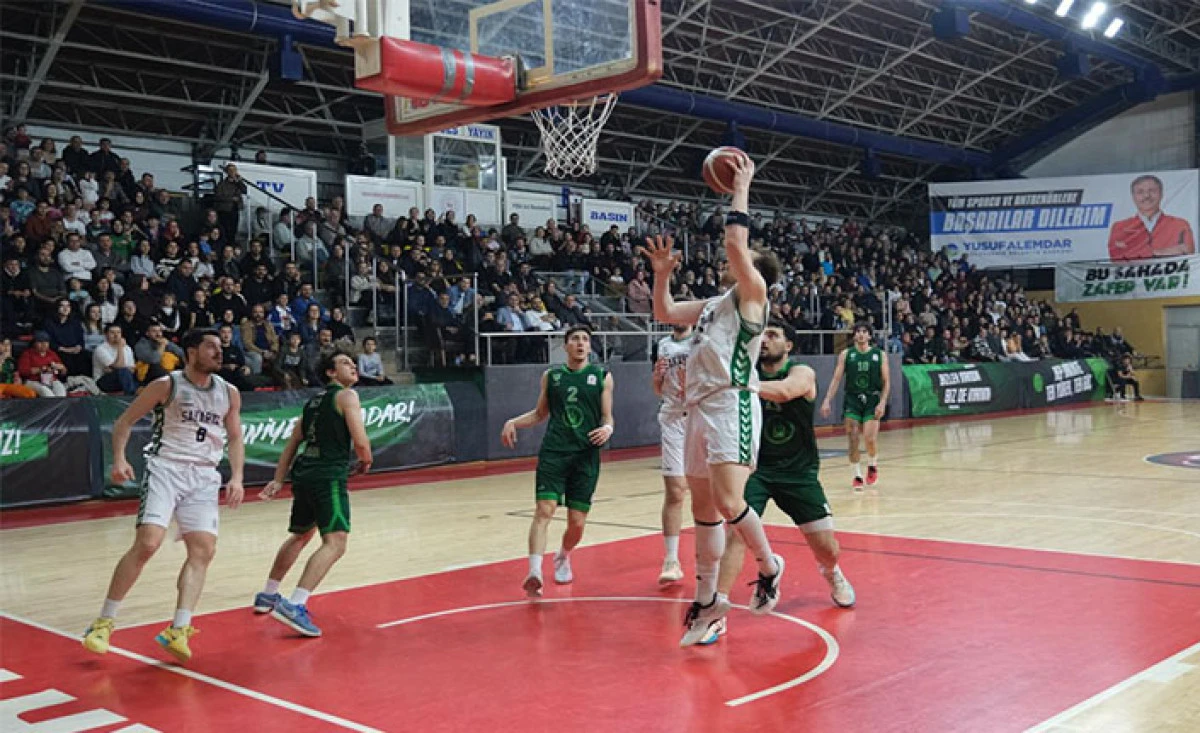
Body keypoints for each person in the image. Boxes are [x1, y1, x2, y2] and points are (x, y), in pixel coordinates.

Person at [641, 155, 786, 647]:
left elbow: (733, 242)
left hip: (732, 404)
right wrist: (662, 273)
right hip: (697, 409)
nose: (730, 260)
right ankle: (707, 604)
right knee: (703, 513)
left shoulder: (754, 294)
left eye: (741, 258)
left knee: (728, 502)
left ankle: (769, 564)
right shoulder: (712, 306)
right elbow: (664, 311)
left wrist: (740, 186)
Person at [82, 329, 245, 664]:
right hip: (166, 468)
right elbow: (124, 421)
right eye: (211, 347)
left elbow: (235, 437)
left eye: (220, 346)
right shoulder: (167, 384)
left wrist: (238, 477)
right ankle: (103, 622)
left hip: (204, 476)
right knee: (148, 544)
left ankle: (179, 628)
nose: (219, 352)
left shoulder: (229, 392)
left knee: (203, 550)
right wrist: (119, 459)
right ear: (191, 351)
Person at [704, 321, 856, 645]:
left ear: (788, 345)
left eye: (773, 335)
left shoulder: (802, 372)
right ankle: (715, 612)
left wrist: (739, 384)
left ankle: (831, 572)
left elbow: (786, 391)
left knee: (827, 549)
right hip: (756, 470)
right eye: (762, 335)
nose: (765, 340)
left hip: (799, 473)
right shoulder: (747, 372)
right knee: (736, 535)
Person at [254, 352, 373, 637]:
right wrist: (366, 460)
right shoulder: (347, 396)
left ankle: (268, 594)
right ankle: (296, 604)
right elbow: (360, 441)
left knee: (300, 535)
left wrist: (278, 479)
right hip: (327, 475)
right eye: (345, 363)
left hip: (304, 473)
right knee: (336, 542)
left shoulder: (311, 403)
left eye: (353, 362)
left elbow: (291, 444)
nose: (353, 366)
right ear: (331, 373)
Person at [501, 325, 613, 597]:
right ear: (565, 346)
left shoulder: (602, 376)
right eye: (575, 339)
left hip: (585, 455)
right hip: (554, 452)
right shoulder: (551, 376)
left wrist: (608, 428)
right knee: (544, 510)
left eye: (585, 339)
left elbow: (607, 416)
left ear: (590, 347)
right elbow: (540, 414)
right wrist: (513, 421)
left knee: (577, 522)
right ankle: (534, 572)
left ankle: (563, 555)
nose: (580, 343)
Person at [822, 322, 890, 490]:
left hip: (872, 399)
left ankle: (872, 464)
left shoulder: (879, 355)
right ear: (854, 335)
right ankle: (857, 475)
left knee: (869, 439)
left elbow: (886, 382)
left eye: (864, 331)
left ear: (869, 336)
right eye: (858, 331)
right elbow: (836, 379)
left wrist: (882, 402)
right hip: (852, 399)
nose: (861, 334)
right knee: (853, 437)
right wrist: (827, 399)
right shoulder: (846, 354)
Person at [651, 324, 693, 586]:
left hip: (701, 415)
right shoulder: (662, 345)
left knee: (712, 490)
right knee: (676, 491)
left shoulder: (703, 340)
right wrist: (657, 377)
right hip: (673, 418)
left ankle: (715, 547)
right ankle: (671, 559)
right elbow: (657, 388)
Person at [1107, 174, 1196, 261]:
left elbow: (1189, 254)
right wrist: (1158, 252)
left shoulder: (1180, 225)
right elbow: (1116, 257)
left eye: (1152, 191)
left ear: (1161, 194)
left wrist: (1134, 252)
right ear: (1133, 196)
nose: (1146, 196)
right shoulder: (1120, 227)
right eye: (1140, 192)